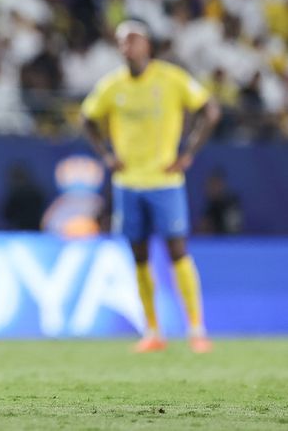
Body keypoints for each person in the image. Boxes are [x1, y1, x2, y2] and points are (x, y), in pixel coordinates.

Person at [81, 20, 221, 354]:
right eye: (121, 41)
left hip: (164, 181)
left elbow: (210, 110)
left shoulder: (171, 79)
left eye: (132, 39)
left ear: (147, 45)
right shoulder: (112, 86)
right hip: (128, 183)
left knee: (178, 252)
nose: (126, 46)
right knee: (139, 257)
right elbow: (87, 118)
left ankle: (196, 329)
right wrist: (105, 154)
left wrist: (188, 152)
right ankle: (153, 331)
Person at [198, 169, 242, 235]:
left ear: (222, 185)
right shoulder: (211, 206)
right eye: (210, 185)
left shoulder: (231, 203)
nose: (210, 189)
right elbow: (202, 228)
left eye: (214, 185)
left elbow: (233, 230)